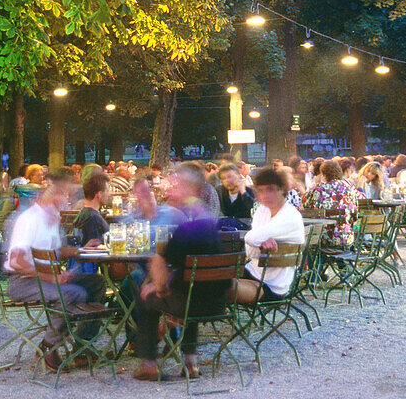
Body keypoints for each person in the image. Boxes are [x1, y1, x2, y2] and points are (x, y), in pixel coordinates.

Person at [3, 169, 105, 372]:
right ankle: (49, 345)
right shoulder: (30, 219)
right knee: (74, 293)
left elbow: (54, 252)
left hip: (46, 277)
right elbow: (16, 262)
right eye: (63, 196)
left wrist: (83, 248)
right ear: (50, 197)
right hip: (22, 280)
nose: (66, 201)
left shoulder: (52, 217)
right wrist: (51, 277)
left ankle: (82, 343)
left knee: (96, 283)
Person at [132, 163, 225, 381]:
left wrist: (157, 287)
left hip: (189, 304)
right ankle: (190, 362)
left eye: (177, 185)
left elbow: (161, 271)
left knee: (144, 296)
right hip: (218, 303)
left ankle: (149, 364)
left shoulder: (184, 226)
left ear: (190, 189)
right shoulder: (209, 221)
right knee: (192, 288)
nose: (171, 189)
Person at [239, 167, 305, 300]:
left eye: (270, 189)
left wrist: (258, 241)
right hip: (252, 272)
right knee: (209, 278)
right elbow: (250, 252)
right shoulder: (262, 211)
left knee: (222, 287)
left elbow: (250, 238)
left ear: (282, 190)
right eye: (261, 190)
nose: (265, 195)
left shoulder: (290, 216)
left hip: (274, 286)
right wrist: (260, 242)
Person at [302, 161, 360, 248]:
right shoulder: (349, 189)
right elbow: (354, 215)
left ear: (323, 174)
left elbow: (306, 206)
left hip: (322, 236)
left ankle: (316, 261)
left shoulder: (317, 189)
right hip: (345, 236)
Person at [73, 172, 110, 246]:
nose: (109, 194)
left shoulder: (83, 213)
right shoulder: (94, 219)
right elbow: (95, 250)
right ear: (99, 194)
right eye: (107, 191)